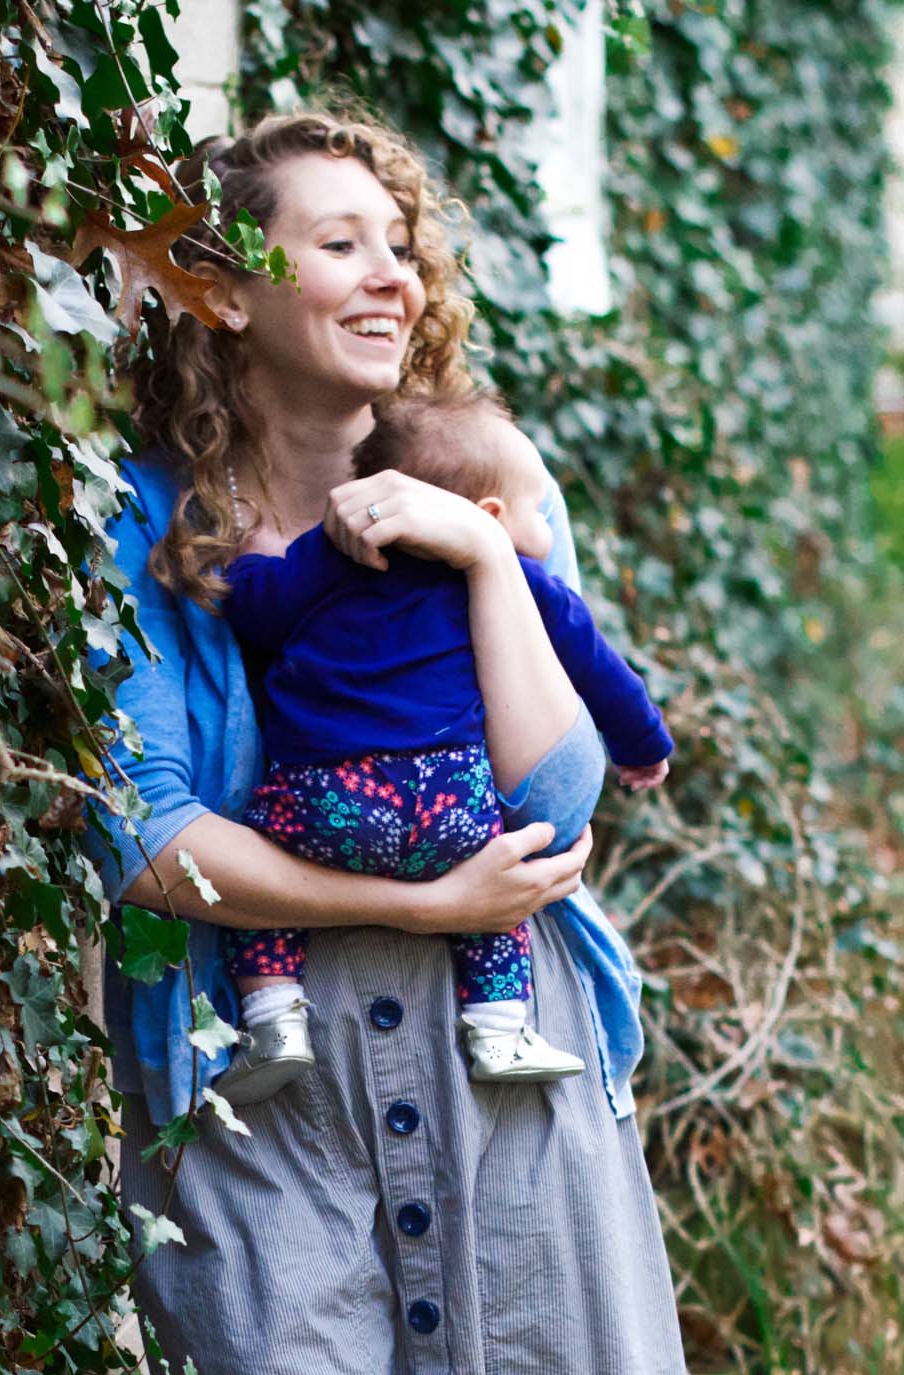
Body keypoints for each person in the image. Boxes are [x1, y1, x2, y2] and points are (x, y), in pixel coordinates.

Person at [85, 109, 690, 1375]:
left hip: (500, 1081)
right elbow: (145, 829)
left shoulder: (464, 480)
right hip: (265, 1105)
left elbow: (566, 783)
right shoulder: (146, 534)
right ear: (229, 290)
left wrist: (491, 557)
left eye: (397, 246)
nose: (385, 276)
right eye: (334, 243)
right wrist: (399, 905)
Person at [218, 386, 675, 1099]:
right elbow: (599, 669)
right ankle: (499, 1029)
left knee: (264, 856)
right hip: (449, 799)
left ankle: (273, 1019)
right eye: (535, 508)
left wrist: (249, 558)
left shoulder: (331, 560)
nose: (544, 528)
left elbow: (256, 608)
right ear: (489, 517)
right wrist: (643, 745)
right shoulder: (523, 582)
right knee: (497, 888)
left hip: (329, 798)